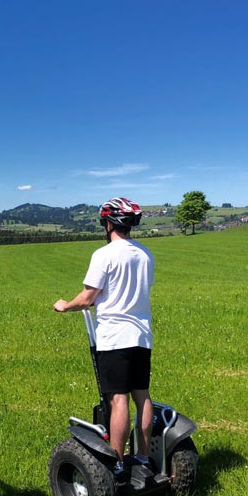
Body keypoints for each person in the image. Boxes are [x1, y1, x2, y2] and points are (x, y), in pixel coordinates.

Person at [52, 197, 154, 478]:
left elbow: (87, 298)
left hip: (114, 337)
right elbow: (126, 292)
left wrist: (65, 305)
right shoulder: (145, 255)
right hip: (142, 336)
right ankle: (143, 458)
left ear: (108, 224)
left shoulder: (104, 255)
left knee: (117, 400)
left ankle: (118, 463)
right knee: (142, 397)